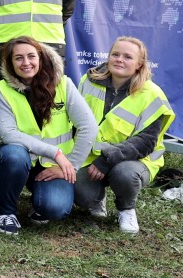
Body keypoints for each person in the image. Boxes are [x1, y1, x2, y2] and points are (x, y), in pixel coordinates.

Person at [0, 35, 98, 235]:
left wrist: (70, 165)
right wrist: (55, 152)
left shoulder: (63, 84)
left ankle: (39, 203)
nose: (26, 63)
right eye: (18, 58)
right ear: (10, 63)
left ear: (40, 58)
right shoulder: (2, 88)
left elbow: (88, 127)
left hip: (53, 166)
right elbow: (8, 133)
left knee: (55, 208)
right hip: (19, 157)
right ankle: (6, 212)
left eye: (31, 56)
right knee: (14, 155)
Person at [75, 37, 175, 234]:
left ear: (139, 65)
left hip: (136, 160)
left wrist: (107, 159)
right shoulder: (88, 81)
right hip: (91, 158)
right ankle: (96, 200)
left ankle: (126, 209)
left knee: (124, 174)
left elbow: (145, 142)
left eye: (128, 57)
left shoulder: (151, 94)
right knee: (78, 192)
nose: (119, 59)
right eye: (115, 54)